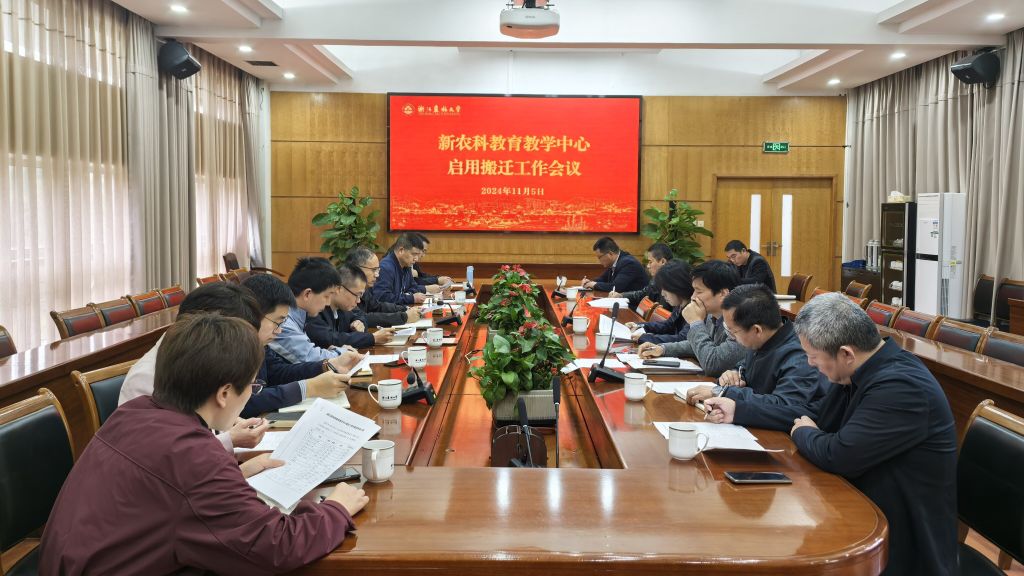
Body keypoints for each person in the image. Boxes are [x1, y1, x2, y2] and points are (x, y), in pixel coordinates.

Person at [40, 313, 369, 575]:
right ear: (224, 393)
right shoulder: (194, 457)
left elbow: (165, 493)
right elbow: (277, 547)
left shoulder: (135, 412)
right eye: (251, 387)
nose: (250, 395)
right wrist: (335, 509)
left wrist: (232, 476)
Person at [704, 293, 957, 576]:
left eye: (813, 357)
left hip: (898, 545)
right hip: (857, 509)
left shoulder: (901, 386)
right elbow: (811, 415)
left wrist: (805, 433)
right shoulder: (858, 370)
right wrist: (740, 409)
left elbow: (839, 454)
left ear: (846, 353)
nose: (810, 364)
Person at [118, 282, 268, 449]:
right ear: (206, 327)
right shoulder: (146, 377)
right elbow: (156, 451)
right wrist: (229, 440)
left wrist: (229, 419)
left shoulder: (201, 359)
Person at [683, 284, 830, 407]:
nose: (731, 336)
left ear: (756, 330)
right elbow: (744, 367)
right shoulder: (763, 340)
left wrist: (723, 393)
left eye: (733, 331)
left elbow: (784, 405)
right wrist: (734, 374)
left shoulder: (800, 355)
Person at [242, 274, 355, 418]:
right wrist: (308, 388)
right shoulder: (232, 347)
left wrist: (326, 365)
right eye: (277, 322)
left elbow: (277, 372)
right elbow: (245, 401)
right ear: (253, 314)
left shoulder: (260, 342)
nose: (279, 330)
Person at [638, 260, 745, 377]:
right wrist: (663, 349)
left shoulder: (741, 322)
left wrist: (696, 323)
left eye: (699, 291)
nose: (693, 296)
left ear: (723, 293)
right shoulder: (711, 315)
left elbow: (713, 365)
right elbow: (698, 344)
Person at [268, 257, 356, 363]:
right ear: (307, 294)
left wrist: (334, 351)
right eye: (326, 296)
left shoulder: (299, 316)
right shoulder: (283, 322)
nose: (328, 303)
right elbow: (309, 358)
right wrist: (342, 352)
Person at [306, 264, 395, 349]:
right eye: (357, 295)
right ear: (339, 289)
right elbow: (330, 339)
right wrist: (372, 338)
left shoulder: (343, 307)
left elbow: (360, 315)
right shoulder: (315, 309)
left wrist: (359, 322)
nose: (358, 300)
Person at [346, 246, 422, 328]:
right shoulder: (347, 290)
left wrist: (405, 309)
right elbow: (364, 318)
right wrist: (404, 317)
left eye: (377, 270)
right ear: (357, 269)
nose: (377, 275)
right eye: (373, 270)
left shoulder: (365, 288)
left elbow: (377, 306)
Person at [625, 260, 693, 345]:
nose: (662, 294)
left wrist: (645, 337)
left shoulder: (694, 308)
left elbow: (682, 339)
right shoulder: (680, 304)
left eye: (665, 288)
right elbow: (668, 325)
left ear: (678, 286)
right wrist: (639, 325)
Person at [609, 243, 675, 310]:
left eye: (650, 262)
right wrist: (621, 295)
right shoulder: (657, 279)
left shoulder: (674, 282)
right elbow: (642, 294)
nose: (648, 266)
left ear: (662, 261)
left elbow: (666, 313)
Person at [373, 233, 430, 305]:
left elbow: (413, 287)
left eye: (418, 255)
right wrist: (411, 298)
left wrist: (408, 295)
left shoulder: (406, 265)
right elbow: (382, 297)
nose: (416, 259)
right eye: (414, 254)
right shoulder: (386, 267)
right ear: (401, 250)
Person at [582, 236, 648, 293]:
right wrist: (589, 282)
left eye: (600, 257)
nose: (599, 260)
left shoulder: (628, 263)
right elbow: (603, 279)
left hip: (634, 303)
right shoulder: (615, 262)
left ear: (610, 254)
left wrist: (593, 284)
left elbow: (615, 288)